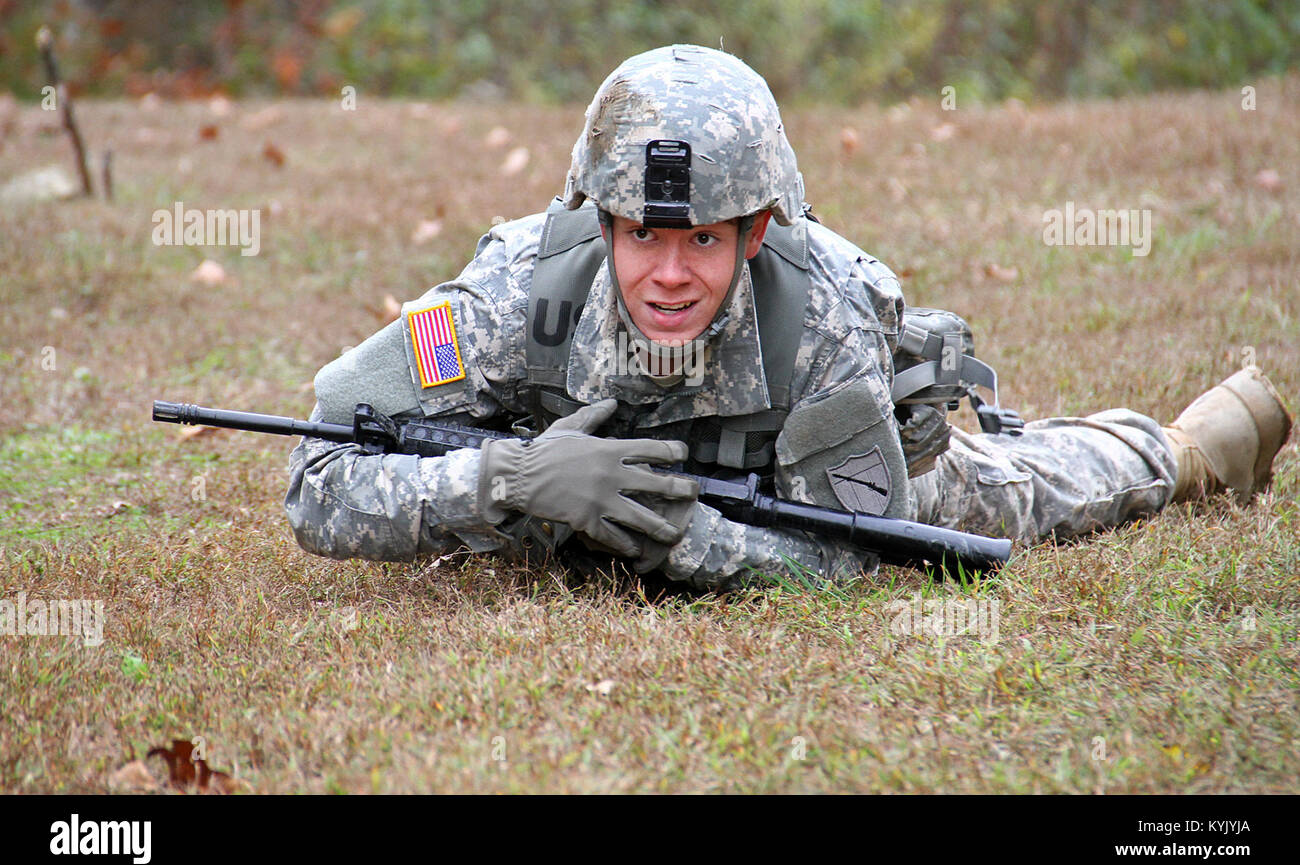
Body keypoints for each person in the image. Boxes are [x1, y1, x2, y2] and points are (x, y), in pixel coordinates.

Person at [284, 44, 1292, 590]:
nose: (668, 273)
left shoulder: (827, 321)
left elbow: (862, 550)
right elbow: (317, 472)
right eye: (641, 235)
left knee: (1007, 491)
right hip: (544, 475)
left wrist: (683, 546)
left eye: (705, 241)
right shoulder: (509, 294)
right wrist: (506, 478)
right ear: (599, 221)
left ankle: (1187, 448)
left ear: (756, 230)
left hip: (798, 463)